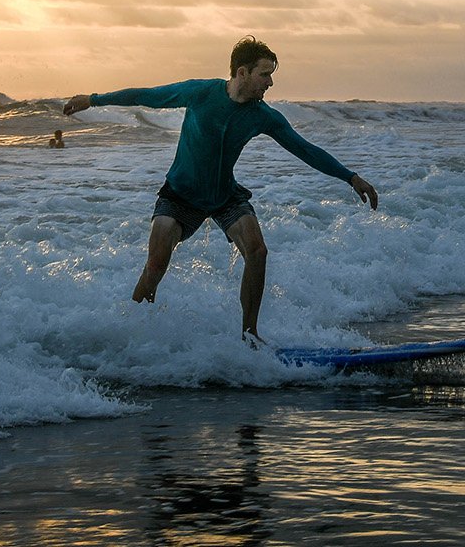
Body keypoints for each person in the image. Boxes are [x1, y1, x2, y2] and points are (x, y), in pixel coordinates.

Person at [63, 36, 378, 344]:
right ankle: (130, 333)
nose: (270, 83)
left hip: (225, 195)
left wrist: (350, 177)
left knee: (258, 251)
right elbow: (149, 95)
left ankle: (250, 336)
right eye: (264, 75)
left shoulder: (263, 116)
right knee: (157, 263)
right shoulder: (201, 93)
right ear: (242, 73)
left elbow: (304, 149)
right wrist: (94, 99)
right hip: (180, 194)